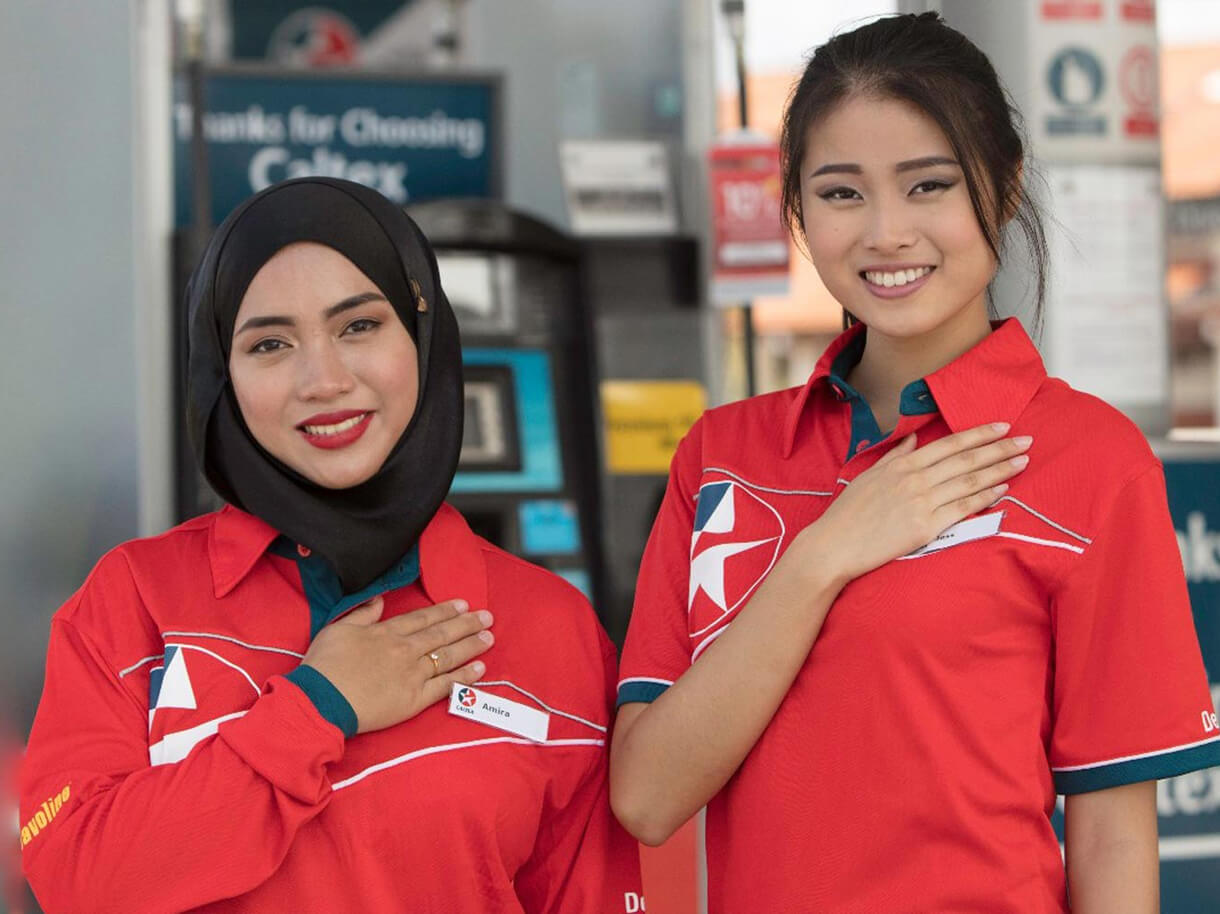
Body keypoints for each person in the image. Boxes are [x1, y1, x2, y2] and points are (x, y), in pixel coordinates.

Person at [610, 12, 1220, 914]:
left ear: (1004, 187)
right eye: (842, 193)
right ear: (799, 210)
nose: (886, 233)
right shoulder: (723, 456)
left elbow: (1113, 834)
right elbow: (647, 797)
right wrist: (824, 556)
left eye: (929, 184)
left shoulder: (1089, 463)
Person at [20, 177, 642, 914]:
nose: (325, 380)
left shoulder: (550, 626)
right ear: (223, 373)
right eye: (271, 343)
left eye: (359, 326)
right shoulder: (133, 602)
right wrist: (316, 710)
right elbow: (76, 879)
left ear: (421, 336)